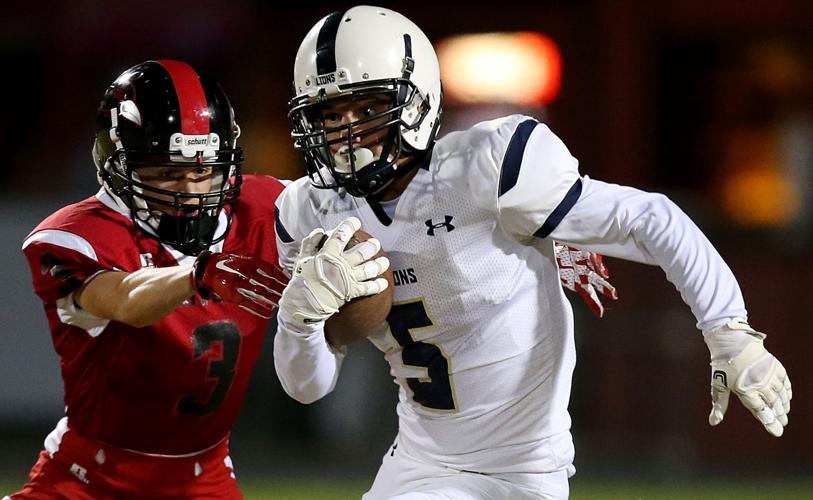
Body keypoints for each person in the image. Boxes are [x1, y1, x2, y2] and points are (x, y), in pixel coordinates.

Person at [271, 6, 793, 499]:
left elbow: (648, 217)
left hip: (523, 472)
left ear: (418, 100)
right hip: (420, 465)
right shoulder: (310, 213)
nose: (348, 133)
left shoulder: (486, 169)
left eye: (366, 108)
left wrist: (729, 331)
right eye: (330, 115)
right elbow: (308, 387)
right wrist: (298, 318)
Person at [7, 59, 291, 499]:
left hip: (205, 477)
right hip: (88, 478)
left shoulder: (266, 206)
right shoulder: (77, 234)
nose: (191, 191)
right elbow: (123, 300)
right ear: (119, 166)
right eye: (168, 173)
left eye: (203, 170)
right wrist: (197, 273)